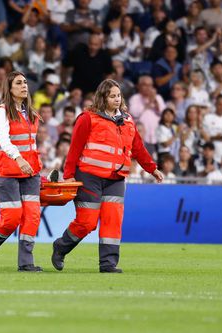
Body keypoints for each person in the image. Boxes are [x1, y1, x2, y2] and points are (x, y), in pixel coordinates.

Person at [51, 79, 164, 273]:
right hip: (89, 177)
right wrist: (69, 175)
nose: (117, 99)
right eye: (112, 96)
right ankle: (61, 247)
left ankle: (108, 264)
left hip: (116, 179)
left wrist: (152, 168)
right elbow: (74, 149)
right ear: (102, 97)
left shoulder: (128, 121)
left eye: (118, 95)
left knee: (112, 221)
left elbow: (138, 148)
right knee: (87, 222)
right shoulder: (88, 118)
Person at [0, 71, 43, 272]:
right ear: (10, 87)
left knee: (32, 216)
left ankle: (26, 262)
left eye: (25, 82)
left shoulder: (30, 112)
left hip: (30, 171)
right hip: (8, 170)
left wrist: (31, 161)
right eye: (19, 83)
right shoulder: (1, 110)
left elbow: (30, 143)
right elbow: (4, 140)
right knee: (12, 216)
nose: (24, 86)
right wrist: (18, 158)